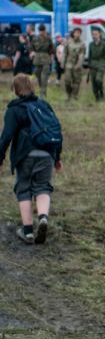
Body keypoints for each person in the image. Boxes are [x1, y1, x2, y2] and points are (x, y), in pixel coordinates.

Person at [0, 74, 63, 244]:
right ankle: (43, 218)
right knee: (43, 187)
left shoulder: (14, 110)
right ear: (31, 87)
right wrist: (57, 157)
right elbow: (56, 129)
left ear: (15, 89)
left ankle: (27, 231)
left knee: (24, 188)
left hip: (25, 155)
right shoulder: (44, 105)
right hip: (47, 153)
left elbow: (6, 136)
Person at [30, 25, 55, 98]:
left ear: (45, 30)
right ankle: (41, 88)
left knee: (44, 76)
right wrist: (32, 54)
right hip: (37, 59)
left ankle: (43, 93)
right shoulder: (35, 39)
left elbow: (52, 49)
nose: (41, 32)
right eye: (40, 31)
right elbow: (31, 47)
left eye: (43, 30)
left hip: (46, 58)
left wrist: (51, 57)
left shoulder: (48, 39)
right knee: (38, 74)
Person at [63, 28, 85, 101]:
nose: (77, 34)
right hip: (68, 64)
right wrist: (63, 63)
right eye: (76, 33)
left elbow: (82, 55)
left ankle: (74, 95)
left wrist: (78, 65)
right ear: (73, 33)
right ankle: (68, 94)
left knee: (77, 81)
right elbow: (65, 53)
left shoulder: (82, 44)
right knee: (67, 81)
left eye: (79, 33)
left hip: (77, 65)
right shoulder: (68, 42)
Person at [87, 29, 105, 101]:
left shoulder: (103, 44)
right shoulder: (91, 44)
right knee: (94, 82)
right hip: (93, 64)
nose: (94, 36)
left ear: (99, 34)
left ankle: (101, 93)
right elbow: (89, 55)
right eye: (93, 34)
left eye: (96, 34)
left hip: (100, 63)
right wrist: (88, 65)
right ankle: (97, 96)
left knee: (98, 80)